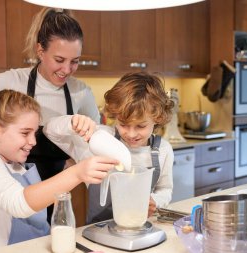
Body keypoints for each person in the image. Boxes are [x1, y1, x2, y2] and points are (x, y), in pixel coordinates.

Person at [0, 7, 99, 221]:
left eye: (75, 61)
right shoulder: (10, 82)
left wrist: (74, 162)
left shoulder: (81, 92)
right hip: (10, 193)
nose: (67, 69)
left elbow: (93, 143)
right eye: (60, 59)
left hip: (58, 193)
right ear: (40, 51)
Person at [0, 89, 117, 252]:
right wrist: (77, 173)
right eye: (25, 133)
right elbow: (18, 204)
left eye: (34, 133)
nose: (33, 141)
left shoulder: (16, 163)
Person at [44, 71, 175, 224]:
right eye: (123, 124)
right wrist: (72, 122)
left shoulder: (163, 150)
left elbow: (165, 190)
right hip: (98, 230)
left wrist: (156, 201)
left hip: (141, 226)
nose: (131, 134)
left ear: (157, 118)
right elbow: (49, 130)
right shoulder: (99, 140)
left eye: (141, 126)